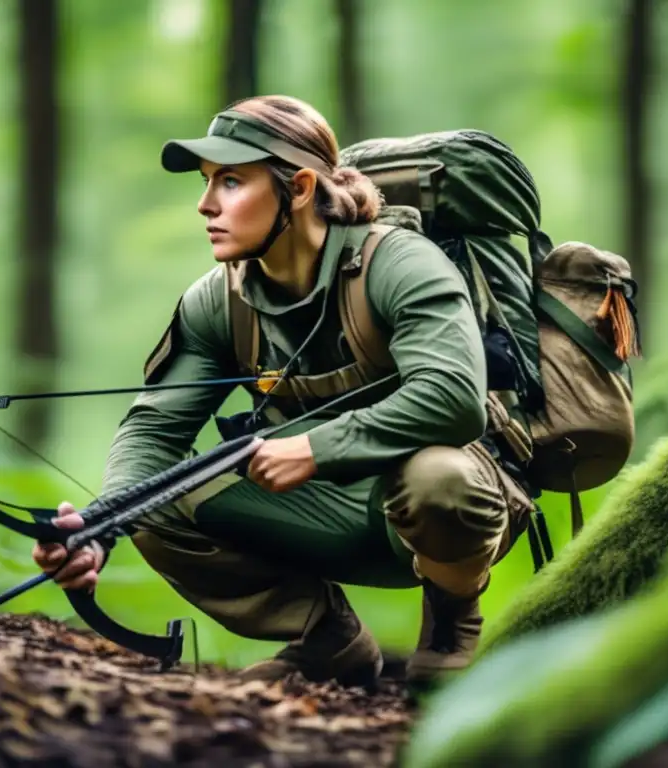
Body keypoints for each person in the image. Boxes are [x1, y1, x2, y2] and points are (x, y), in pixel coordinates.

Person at [32, 95, 535, 688]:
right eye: (206, 182)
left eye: (231, 181)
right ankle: (328, 640)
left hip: (445, 510)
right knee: (152, 497)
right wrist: (99, 526)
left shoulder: (399, 264)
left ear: (298, 189)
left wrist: (315, 448)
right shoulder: (219, 299)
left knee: (439, 479)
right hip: (320, 507)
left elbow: (453, 397)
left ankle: (451, 624)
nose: (205, 204)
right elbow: (154, 429)